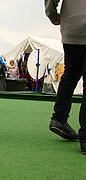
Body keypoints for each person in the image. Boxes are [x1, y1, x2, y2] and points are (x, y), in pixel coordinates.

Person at [45, 0, 86, 154]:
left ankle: (59, 119)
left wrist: (53, 15)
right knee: (71, 75)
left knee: (70, 75)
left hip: (72, 27)